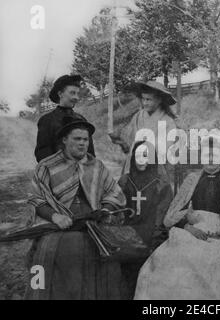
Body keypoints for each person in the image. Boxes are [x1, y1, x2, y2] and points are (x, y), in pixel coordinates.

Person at [26, 116, 126, 300]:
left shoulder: (96, 166)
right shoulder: (47, 166)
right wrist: (55, 216)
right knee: (52, 255)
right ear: (64, 140)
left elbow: (114, 192)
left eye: (85, 139)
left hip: (93, 226)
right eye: (77, 139)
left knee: (113, 259)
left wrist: (104, 209)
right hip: (58, 227)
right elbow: (35, 197)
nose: (82, 144)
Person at [133, 136, 220, 300]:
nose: (211, 159)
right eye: (207, 155)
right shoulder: (192, 179)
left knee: (210, 261)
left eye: (215, 155)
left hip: (216, 230)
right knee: (172, 259)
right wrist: (189, 226)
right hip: (191, 226)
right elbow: (175, 210)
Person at [118, 141, 173, 299]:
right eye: (138, 156)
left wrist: (154, 233)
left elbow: (163, 210)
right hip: (128, 233)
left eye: (146, 155)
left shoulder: (161, 183)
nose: (142, 160)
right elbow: (118, 208)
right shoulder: (124, 181)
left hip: (152, 233)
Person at [109, 81, 178, 177]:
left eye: (148, 100)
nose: (144, 103)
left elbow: (165, 149)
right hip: (134, 164)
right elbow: (130, 137)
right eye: (143, 99)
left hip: (156, 168)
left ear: (159, 100)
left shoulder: (168, 122)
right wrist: (121, 140)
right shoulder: (138, 116)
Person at [34, 74, 95, 162]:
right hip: (56, 171)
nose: (76, 97)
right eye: (72, 93)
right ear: (60, 94)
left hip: (81, 171)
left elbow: (90, 152)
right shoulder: (47, 120)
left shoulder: (81, 120)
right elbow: (42, 153)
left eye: (77, 93)